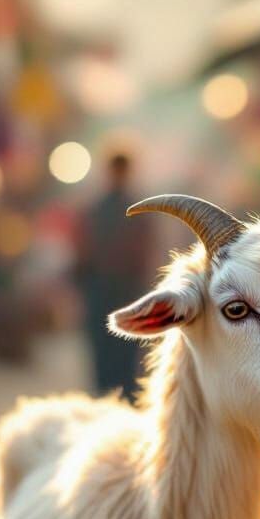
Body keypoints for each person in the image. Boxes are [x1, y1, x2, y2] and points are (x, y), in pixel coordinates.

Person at [74, 146, 155, 401]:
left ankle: (113, 398)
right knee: (114, 353)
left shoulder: (100, 209)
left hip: (117, 289)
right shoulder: (127, 209)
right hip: (113, 289)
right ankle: (115, 399)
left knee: (116, 353)